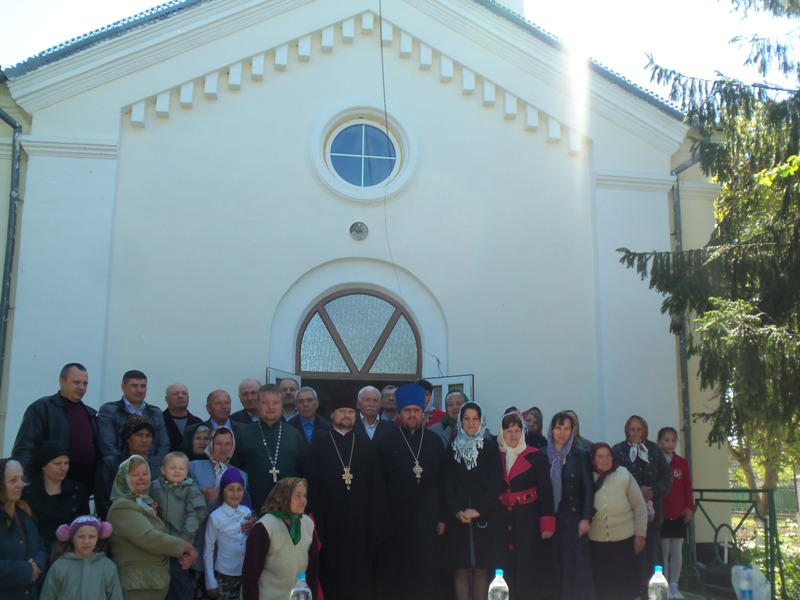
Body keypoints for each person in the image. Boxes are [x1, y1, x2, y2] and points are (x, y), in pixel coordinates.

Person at [305, 394, 390, 600]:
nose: (346, 415)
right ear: (332, 414)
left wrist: (374, 529)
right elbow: (312, 492)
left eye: (350, 412)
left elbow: (377, 491)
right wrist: (318, 531)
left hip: (361, 530)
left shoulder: (367, 447)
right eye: (342, 411)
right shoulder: (318, 447)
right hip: (330, 531)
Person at [375, 383, 446, 600]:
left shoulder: (434, 441)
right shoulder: (385, 441)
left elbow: (442, 482)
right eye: (407, 410)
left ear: (423, 413)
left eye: (416, 410)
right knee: (398, 574)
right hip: (396, 519)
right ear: (400, 413)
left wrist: (442, 517)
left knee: (426, 571)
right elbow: (379, 484)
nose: (412, 414)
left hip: (428, 518)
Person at [107, 455, 198, 600]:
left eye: (145, 473)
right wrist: (186, 547)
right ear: (123, 479)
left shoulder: (144, 503)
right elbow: (150, 537)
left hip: (152, 583)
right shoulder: (121, 507)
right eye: (135, 475)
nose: (141, 478)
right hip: (137, 585)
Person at [443, 402, 503, 600]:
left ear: (481, 421)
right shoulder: (451, 449)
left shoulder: (490, 447)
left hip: (484, 517)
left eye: (475, 419)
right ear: (460, 421)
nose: (471, 423)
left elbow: (496, 483)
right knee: (460, 570)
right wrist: (456, 511)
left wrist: (478, 509)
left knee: (481, 570)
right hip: (458, 518)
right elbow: (447, 484)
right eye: (466, 418)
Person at [495, 410, 555, 600]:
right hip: (502, 521)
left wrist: (547, 524)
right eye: (508, 431)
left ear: (523, 432)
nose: (513, 435)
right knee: (505, 569)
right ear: (502, 433)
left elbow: (546, 491)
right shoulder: (495, 457)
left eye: (517, 431)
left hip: (528, 520)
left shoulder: (535, 456)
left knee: (528, 567)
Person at [12, 363, 99, 493]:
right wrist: (22, 481)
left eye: (85, 383)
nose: (81, 387)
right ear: (62, 381)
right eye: (76, 382)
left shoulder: (90, 414)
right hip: (48, 488)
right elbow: (24, 448)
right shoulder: (42, 409)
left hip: (82, 488)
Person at [612, 415, 673, 595]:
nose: (636, 433)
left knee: (652, 561)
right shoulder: (618, 451)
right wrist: (636, 491)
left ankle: (652, 595)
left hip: (652, 518)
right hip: (627, 517)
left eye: (639, 429)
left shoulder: (654, 450)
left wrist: (653, 491)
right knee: (630, 561)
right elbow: (613, 478)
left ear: (645, 430)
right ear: (627, 430)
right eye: (632, 429)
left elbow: (667, 478)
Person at [232, 384, 307, 513]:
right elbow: (235, 475)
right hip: (252, 511)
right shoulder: (242, 435)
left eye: (276, 403)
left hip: (289, 511)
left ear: (281, 405)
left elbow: (304, 472)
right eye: (265, 403)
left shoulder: (295, 435)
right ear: (258, 405)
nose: (271, 407)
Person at [241, 477, 319, 600]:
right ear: (284, 496)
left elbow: (312, 573)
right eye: (298, 496)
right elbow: (250, 577)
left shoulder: (308, 524)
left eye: (305, 496)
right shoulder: (265, 527)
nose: (303, 501)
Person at [588, 443, 647, 600]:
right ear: (593, 459)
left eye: (608, 456)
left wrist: (640, 534)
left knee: (625, 587)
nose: (605, 460)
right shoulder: (587, 475)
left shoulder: (623, 474)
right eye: (600, 456)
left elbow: (639, 506)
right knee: (603, 587)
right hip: (597, 543)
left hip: (624, 542)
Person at [546, 411, 596, 600]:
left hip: (573, 520)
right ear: (551, 429)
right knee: (553, 567)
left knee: (574, 568)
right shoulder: (542, 454)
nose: (562, 433)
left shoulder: (580, 455)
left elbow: (588, 489)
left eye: (567, 428)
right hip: (550, 519)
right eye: (558, 428)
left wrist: (585, 518)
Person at [150, 451, 207, 600]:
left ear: (187, 472)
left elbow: (196, 514)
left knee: (180, 585)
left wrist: (184, 541)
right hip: (158, 546)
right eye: (172, 468)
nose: (177, 471)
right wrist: (151, 509)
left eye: (181, 468)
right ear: (163, 470)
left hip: (179, 546)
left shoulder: (191, 490)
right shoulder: (154, 487)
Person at [21, 441, 90, 556]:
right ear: (44, 465)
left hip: (72, 552)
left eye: (66, 463)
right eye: (57, 463)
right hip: (41, 552)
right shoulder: (28, 494)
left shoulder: (78, 490)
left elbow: (86, 523)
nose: (63, 468)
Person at [41, 515, 122, 600]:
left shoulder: (108, 566)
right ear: (72, 539)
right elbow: (47, 596)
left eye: (92, 536)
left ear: (98, 538)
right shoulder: (58, 567)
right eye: (81, 537)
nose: (86, 541)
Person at [95, 414, 158, 519]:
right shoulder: (110, 464)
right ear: (127, 438)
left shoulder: (158, 465)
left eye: (148, 436)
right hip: (119, 521)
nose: (144, 440)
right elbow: (103, 504)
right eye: (139, 435)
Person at [0, 458, 47, 600]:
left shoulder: (24, 511)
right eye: (13, 480)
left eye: (21, 478)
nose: (20, 484)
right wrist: (27, 571)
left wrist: (37, 566)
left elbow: (40, 545)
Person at [657, 427, 695, 600]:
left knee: (676, 549)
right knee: (664, 550)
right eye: (666, 440)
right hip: (662, 512)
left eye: (673, 440)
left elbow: (687, 486)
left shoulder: (682, 463)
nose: (670, 443)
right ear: (659, 442)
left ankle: (674, 585)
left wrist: (689, 507)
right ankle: (664, 585)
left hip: (679, 512)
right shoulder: (657, 462)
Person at [204, 469, 253, 600]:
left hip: (246, 573)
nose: (235, 494)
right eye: (230, 489)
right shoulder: (215, 517)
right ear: (222, 491)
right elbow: (208, 551)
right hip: (225, 575)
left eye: (239, 489)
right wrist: (210, 581)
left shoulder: (247, 512)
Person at [163, 384, 202, 452]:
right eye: (175, 394)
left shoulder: (198, 423)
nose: (180, 396)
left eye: (184, 393)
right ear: (166, 399)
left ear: (188, 398)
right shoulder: (159, 421)